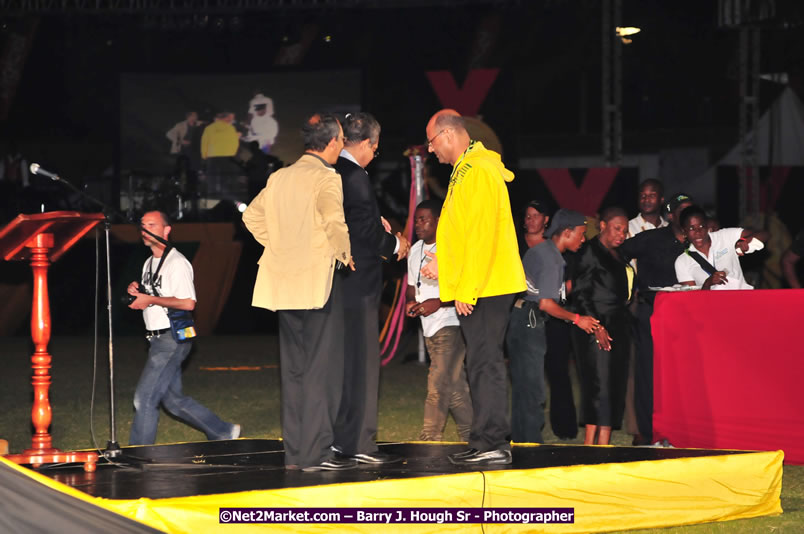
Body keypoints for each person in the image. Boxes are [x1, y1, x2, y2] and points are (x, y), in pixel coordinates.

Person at [242, 113, 356, 472]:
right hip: (315, 284)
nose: (342, 145)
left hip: (283, 285)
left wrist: (281, 245)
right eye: (342, 139)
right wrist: (344, 253)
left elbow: (251, 217)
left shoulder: (280, 176)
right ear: (332, 142)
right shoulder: (327, 177)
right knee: (319, 371)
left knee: (293, 372)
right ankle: (315, 454)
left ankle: (295, 455)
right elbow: (334, 221)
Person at [424, 109, 526, 466]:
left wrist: (466, 289)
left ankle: (493, 443)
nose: (430, 150)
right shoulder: (466, 169)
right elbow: (463, 231)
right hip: (482, 281)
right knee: (479, 363)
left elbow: (482, 235)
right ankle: (484, 440)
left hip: (487, 284)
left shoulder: (479, 169)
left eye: (431, 142)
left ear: (448, 135)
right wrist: (443, 261)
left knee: (486, 363)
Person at [332, 112, 408, 465]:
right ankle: (359, 443)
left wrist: (374, 226)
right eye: (375, 151)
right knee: (362, 365)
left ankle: (339, 438)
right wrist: (394, 244)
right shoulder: (355, 175)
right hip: (359, 283)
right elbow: (363, 231)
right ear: (365, 143)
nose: (373, 157)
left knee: (342, 362)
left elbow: (350, 222)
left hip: (336, 283)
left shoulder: (329, 169)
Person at [127, 211, 239, 445]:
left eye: (152, 225)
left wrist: (150, 299)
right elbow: (156, 293)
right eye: (143, 225)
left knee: (144, 399)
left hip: (170, 338)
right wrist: (138, 291)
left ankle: (140, 454)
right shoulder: (149, 262)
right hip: (157, 339)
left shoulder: (176, 263)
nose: (145, 229)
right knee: (173, 401)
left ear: (167, 230)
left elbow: (188, 303)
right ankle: (222, 431)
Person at [506, 209, 600, 444]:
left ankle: (521, 441)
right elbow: (546, 304)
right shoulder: (552, 259)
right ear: (567, 232)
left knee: (523, 387)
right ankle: (530, 445)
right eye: (581, 233)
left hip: (520, 317)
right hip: (530, 320)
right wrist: (577, 319)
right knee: (533, 389)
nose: (583, 239)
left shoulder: (543, 251)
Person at [618, 193, 693, 445]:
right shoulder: (651, 238)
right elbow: (616, 253)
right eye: (682, 211)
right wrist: (628, 287)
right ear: (670, 215)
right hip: (651, 314)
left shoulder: (700, 240)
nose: (687, 216)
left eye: (691, 210)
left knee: (682, 376)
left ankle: (680, 431)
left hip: (687, 319)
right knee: (648, 374)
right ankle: (647, 433)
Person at [406, 199, 472, 442]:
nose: (418, 224)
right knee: (454, 387)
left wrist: (438, 303)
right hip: (429, 327)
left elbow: (465, 289)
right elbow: (411, 286)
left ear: (438, 221)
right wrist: (410, 302)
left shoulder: (450, 249)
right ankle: (473, 436)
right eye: (416, 220)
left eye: (424, 219)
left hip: (450, 323)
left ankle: (430, 437)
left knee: (437, 383)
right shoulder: (415, 250)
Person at [570, 207, 633, 445]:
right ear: (603, 225)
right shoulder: (589, 251)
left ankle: (605, 444)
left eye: (625, 231)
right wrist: (597, 326)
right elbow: (581, 293)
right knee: (598, 385)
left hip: (618, 325)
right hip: (595, 326)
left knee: (614, 384)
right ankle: (589, 446)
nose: (621, 234)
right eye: (617, 228)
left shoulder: (618, 254)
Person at [518, 200, 578, 439]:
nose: (530, 220)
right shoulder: (531, 250)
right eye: (527, 216)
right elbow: (542, 300)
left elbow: (567, 284)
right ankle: (528, 435)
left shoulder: (553, 250)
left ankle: (556, 428)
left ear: (546, 220)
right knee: (529, 379)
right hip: (530, 315)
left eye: (536, 215)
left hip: (544, 315)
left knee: (551, 373)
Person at [674, 205, 768, 290]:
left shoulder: (725, 236)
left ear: (707, 226)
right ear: (684, 231)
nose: (698, 232)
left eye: (701, 226)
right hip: (711, 303)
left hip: (740, 298)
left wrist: (745, 241)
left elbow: (764, 234)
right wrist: (707, 284)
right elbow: (691, 299)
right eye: (691, 228)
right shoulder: (682, 261)